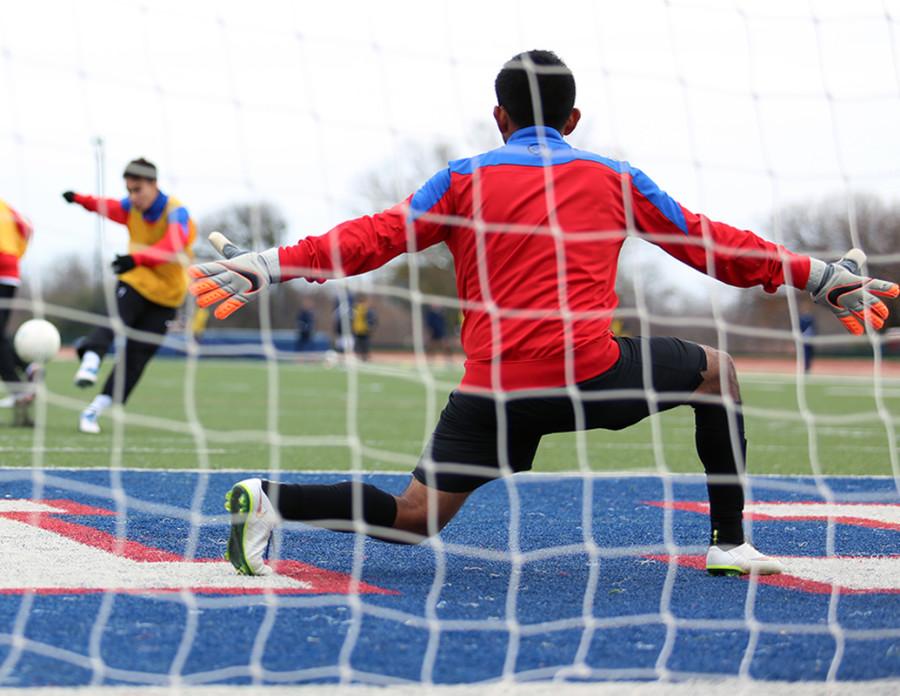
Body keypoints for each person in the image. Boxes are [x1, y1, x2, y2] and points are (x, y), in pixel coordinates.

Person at [189, 50, 899, 578]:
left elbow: (371, 238)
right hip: (590, 374)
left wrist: (270, 264)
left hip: (493, 390)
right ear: (575, 118)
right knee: (719, 372)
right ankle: (728, 543)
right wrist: (817, 275)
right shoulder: (613, 178)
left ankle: (270, 498)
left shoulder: (463, 178)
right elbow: (711, 246)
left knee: (412, 519)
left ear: (498, 117)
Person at [63, 158, 196, 434]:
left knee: (137, 357)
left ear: (153, 184)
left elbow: (172, 245)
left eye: (138, 190)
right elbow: (108, 206)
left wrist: (136, 258)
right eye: (129, 190)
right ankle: (90, 361)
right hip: (137, 280)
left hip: (168, 295)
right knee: (116, 319)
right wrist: (80, 199)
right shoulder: (129, 208)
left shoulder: (176, 212)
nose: (133, 197)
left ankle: (94, 409)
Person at [0, 198, 38, 427]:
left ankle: (18, 389)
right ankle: (28, 368)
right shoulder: (5, 206)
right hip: (10, 269)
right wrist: (16, 254)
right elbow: (27, 226)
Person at [351, 293, 376, 361]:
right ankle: (364, 357)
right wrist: (371, 327)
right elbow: (373, 319)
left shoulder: (354, 309)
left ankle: (360, 357)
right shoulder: (364, 309)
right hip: (363, 330)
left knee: (359, 344)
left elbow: (351, 319)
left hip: (358, 330)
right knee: (364, 345)